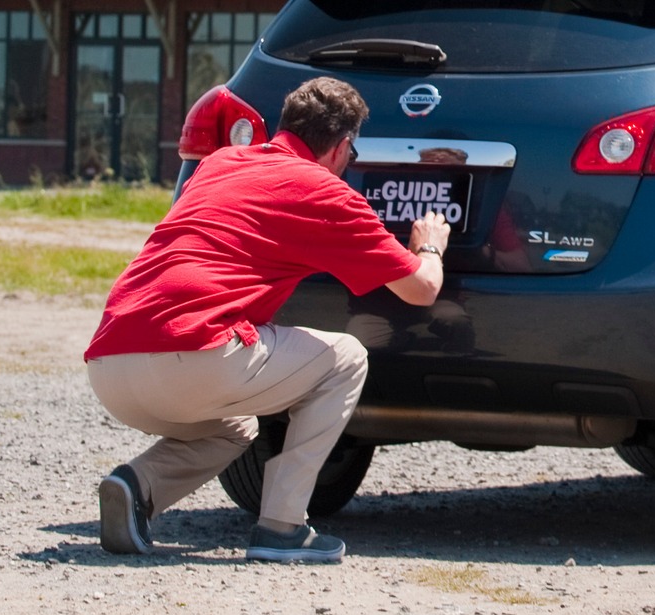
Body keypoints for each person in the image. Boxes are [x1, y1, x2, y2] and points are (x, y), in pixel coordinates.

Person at [83, 77, 449, 563]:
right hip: (194, 356)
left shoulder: (219, 163)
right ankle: (283, 526)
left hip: (110, 364)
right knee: (347, 358)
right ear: (341, 148)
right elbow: (421, 289)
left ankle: (137, 485)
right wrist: (429, 245)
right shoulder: (324, 192)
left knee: (234, 428)